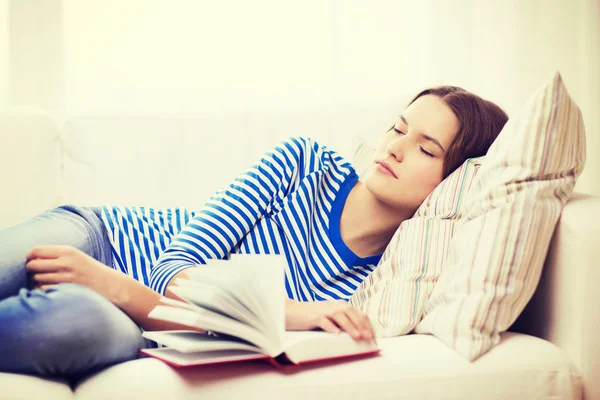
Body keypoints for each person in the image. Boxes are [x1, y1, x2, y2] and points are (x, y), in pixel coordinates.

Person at [0, 86, 508, 380]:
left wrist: (116, 296)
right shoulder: (304, 162)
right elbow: (173, 269)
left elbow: (233, 337)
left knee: (79, 327)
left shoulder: (382, 283)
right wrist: (295, 313)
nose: (394, 148)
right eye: (398, 128)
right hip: (103, 239)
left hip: (135, 323)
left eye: (427, 148)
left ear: (456, 181)